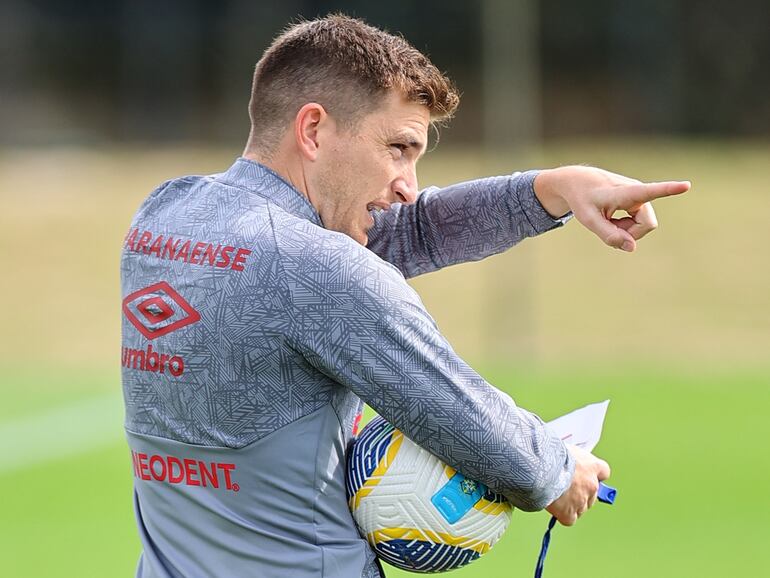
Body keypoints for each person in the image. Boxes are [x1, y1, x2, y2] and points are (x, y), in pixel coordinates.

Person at [120, 14, 689, 578]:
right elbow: (453, 409)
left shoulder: (167, 216)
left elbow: (392, 236)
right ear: (313, 130)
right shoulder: (318, 270)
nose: (408, 184)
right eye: (398, 147)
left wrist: (552, 190)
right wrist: (558, 472)